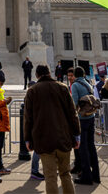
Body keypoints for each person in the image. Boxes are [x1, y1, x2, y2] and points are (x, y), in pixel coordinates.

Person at [24, 64, 80, 194]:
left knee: (50, 177)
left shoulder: (32, 91)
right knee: (65, 174)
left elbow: (28, 119)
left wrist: (27, 139)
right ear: (50, 73)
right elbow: (73, 114)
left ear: (37, 75)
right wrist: (77, 134)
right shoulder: (63, 88)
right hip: (63, 138)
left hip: (44, 140)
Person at [71, 66, 100, 185]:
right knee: (91, 146)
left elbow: (74, 103)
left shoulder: (75, 85)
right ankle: (96, 175)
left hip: (82, 119)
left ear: (74, 75)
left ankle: (86, 176)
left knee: (83, 148)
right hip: (91, 117)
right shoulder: (88, 83)